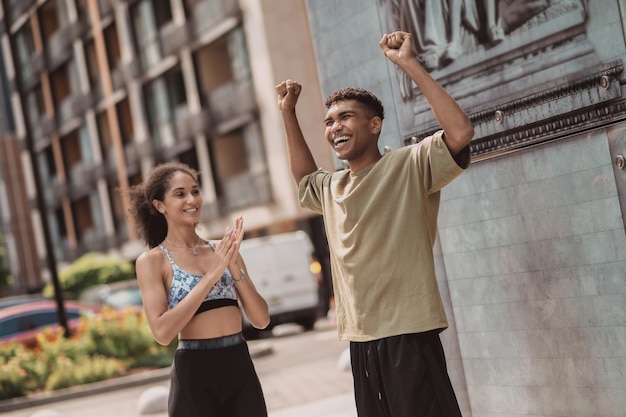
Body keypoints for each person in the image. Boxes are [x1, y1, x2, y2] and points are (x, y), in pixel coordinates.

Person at [276, 30, 474, 417]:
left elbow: (461, 133)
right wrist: (288, 113)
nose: (335, 127)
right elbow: (304, 179)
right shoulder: (332, 186)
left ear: (375, 125)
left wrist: (408, 64)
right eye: (329, 121)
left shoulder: (409, 164)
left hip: (408, 332)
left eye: (345, 116)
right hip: (361, 338)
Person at [127, 162, 270, 417]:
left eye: (195, 191)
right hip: (194, 374)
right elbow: (162, 332)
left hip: (239, 366)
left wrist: (234, 265)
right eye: (180, 194)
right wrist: (211, 276)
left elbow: (260, 319)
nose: (192, 199)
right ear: (160, 205)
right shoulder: (153, 261)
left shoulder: (223, 249)